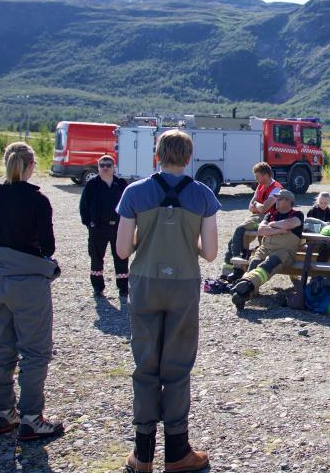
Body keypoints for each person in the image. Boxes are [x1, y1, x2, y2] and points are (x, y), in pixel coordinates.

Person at [115, 130, 220, 473]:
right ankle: (177, 452)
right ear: (188, 158)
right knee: (177, 366)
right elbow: (210, 253)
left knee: (145, 364)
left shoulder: (134, 192)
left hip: (145, 281)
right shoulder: (203, 194)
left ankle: (142, 454)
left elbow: (121, 250)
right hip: (184, 285)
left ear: (157, 155)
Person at [0, 142, 63, 440]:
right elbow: (48, 246)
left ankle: (2, 412)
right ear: (31, 166)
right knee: (35, 353)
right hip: (28, 282)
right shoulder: (37, 201)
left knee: (2, 349)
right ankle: (31, 417)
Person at [229, 189, 305, 313]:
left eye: (279, 199)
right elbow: (261, 230)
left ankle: (245, 285)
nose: (276, 201)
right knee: (254, 262)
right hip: (265, 249)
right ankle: (247, 293)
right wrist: (278, 229)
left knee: (269, 264)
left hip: (283, 252)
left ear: (287, 201)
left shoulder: (297, 214)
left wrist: (272, 225)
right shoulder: (270, 215)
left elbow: (290, 224)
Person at [221, 162, 282, 280]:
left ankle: (238, 264)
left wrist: (258, 205)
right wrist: (259, 206)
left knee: (239, 230)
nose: (256, 179)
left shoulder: (276, 189)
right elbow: (250, 206)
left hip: (268, 219)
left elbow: (265, 209)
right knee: (233, 240)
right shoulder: (260, 186)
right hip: (257, 217)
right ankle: (228, 272)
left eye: (257, 176)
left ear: (266, 175)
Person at [79, 154, 129, 299]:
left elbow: (128, 206)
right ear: (98, 167)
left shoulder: (121, 184)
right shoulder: (92, 185)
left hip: (118, 229)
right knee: (96, 258)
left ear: (114, 167)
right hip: (98, 229)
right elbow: (84, 206)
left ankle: (123, 289)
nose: (105, 167)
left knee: (121, 257)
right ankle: (97, 288)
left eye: (109, 165)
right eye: (102, 165)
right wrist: (89, 223)